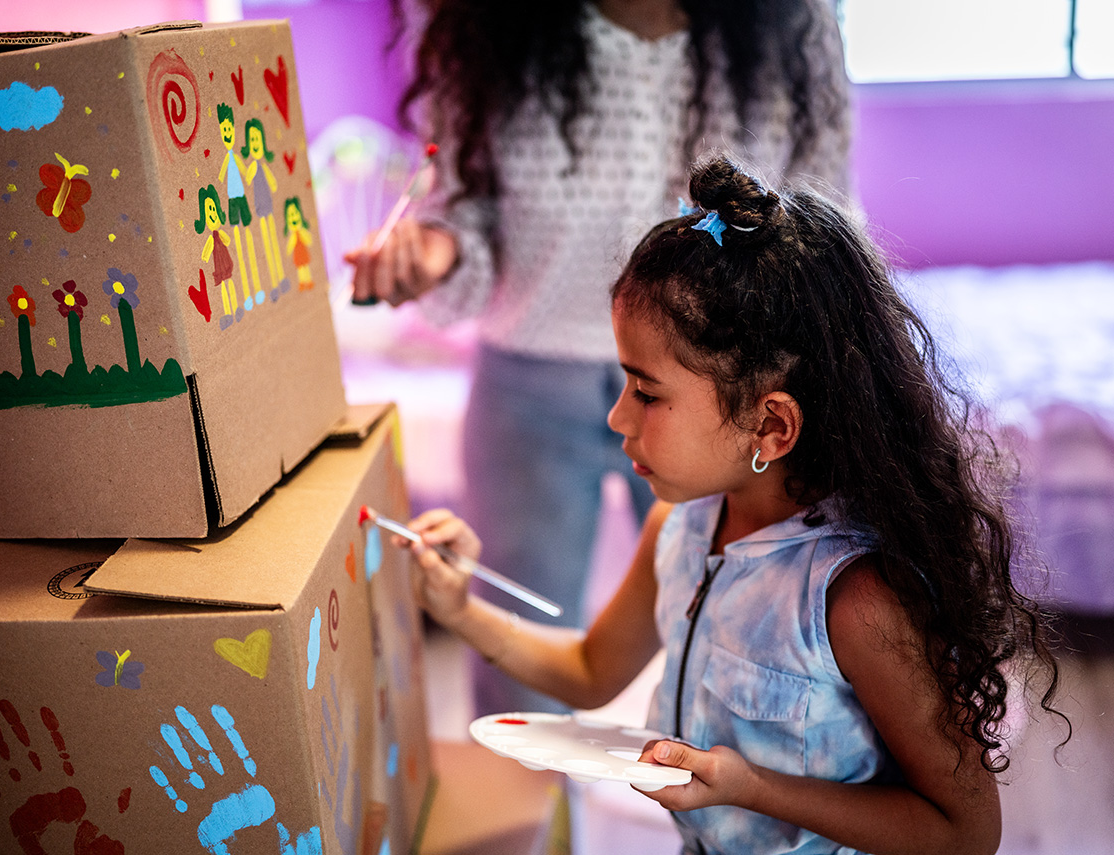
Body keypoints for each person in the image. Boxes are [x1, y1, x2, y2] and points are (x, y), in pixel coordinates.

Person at [392, 153, 1067, 855]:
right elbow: (593, 673)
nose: (617, 418)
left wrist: (751, 786)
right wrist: (459, 608)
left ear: (771, 426)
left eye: (646, 392)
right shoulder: (677, 528)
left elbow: (965, 832)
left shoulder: (859, 598)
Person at [347, 0, 852, 715]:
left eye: (639, 396)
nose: (625, 415)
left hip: (721, 391)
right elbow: (463, 207)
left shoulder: (792, 23)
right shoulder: (479, 24)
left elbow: (825, 221)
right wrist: (433, 249)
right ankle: (539, 830)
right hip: (530, 386)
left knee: (752, 663)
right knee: (520, 692)